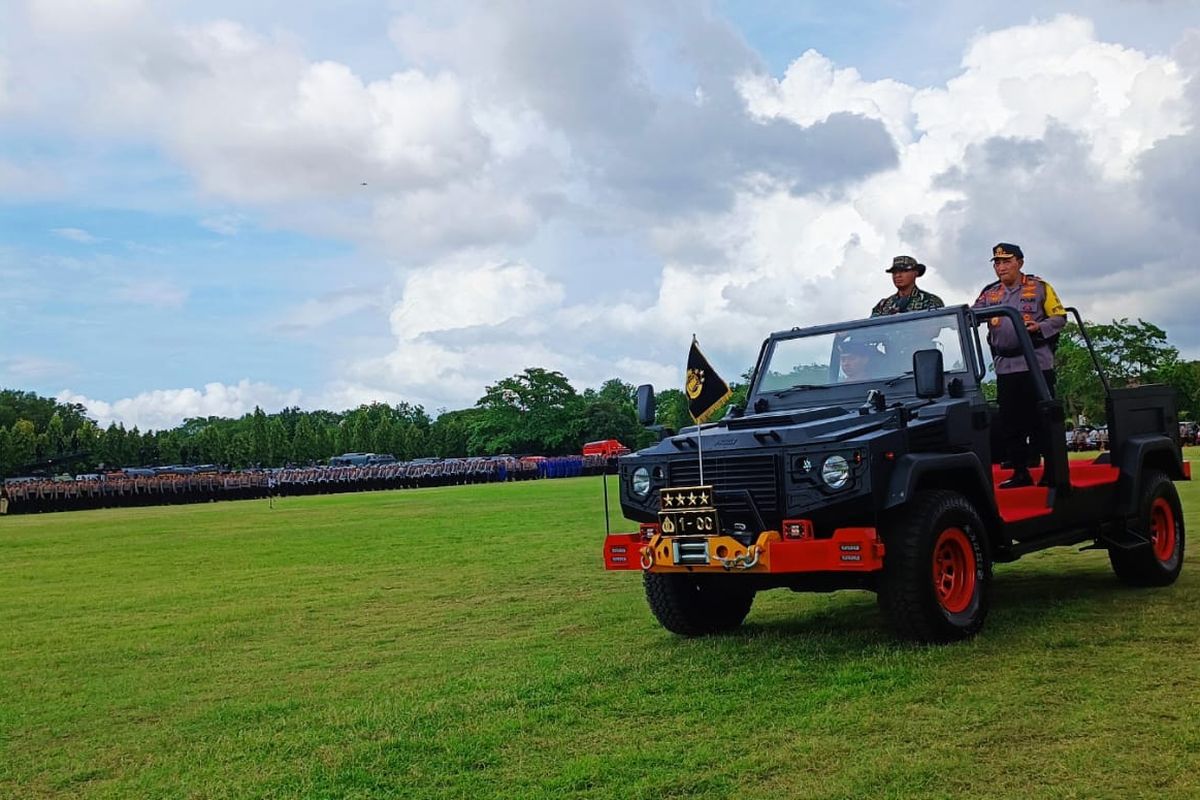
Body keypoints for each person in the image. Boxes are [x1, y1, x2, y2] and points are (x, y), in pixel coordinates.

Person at [973, 242, 1067, 488]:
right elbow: (972, 315)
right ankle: (1020, 472)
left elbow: (1060, 317)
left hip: (1036, 363)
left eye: (1006, 261)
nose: (1001, 267)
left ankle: (1052, 472)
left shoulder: (1040, 288)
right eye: (997, 262)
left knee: (1042, 420)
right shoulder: (990, 293)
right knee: (1009, 422)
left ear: (1020, 263)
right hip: (1005, 365)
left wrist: (1041, 327)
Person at [871, 255, 945, 316]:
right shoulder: (883, 305)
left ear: (915, 273)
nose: (897, 275)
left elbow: (935, 327)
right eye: (894, 272)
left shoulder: (930, 301)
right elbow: (870, 330)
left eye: (903, 271)